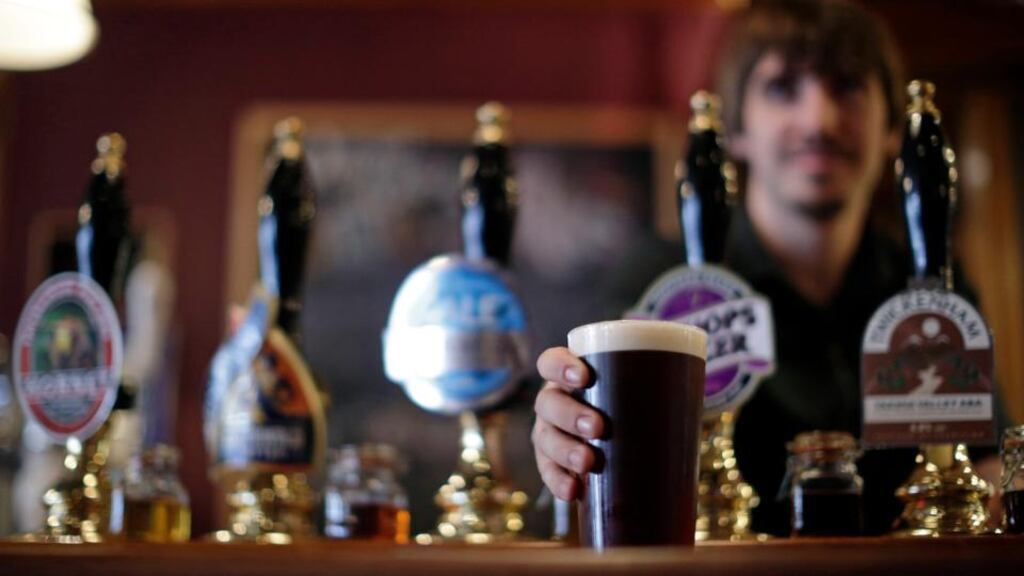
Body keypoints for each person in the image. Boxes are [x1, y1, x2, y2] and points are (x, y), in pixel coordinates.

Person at [532, 0, 1003, 536]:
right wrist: (563, 436)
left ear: (894, 128)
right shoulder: (659, 282)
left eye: (847, 86)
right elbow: (580, 453)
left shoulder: (932, 286)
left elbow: (986, 460)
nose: (818, 121)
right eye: (783, 88)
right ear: (736, 130)